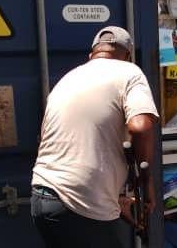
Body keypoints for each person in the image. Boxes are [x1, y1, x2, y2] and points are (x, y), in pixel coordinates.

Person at [30, 26, 158, 248]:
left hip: (43, 196)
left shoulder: (68, 79)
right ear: (127, 55)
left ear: (92, 55)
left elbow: (49, 140)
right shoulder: (129, 72)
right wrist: (147, 183)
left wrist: (116, 200)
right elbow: (140, 127)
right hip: (78, 203)